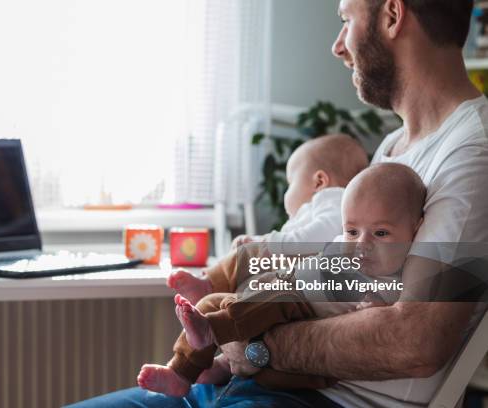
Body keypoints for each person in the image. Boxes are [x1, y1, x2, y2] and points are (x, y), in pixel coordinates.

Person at [67, 0, 488, 406]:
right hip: (260, 385)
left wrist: (252, 343)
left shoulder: (472, 155)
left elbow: (414, 341)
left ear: (393, 15)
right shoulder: (394, 147)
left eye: (347, 19)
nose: (338, 45)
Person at [137, 163, 426, 398]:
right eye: (352, 231)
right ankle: (181, 372)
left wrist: (372, 309)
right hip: (285, 309)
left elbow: (382, 318)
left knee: (275, 297)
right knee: (212, 304)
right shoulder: (344, 247)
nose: (362, 243)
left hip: (305, 334)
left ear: (415, 229)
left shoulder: (395, 278)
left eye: (381, 234)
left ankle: (216, 340)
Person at [167, 133, 369, 304]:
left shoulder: (335, 200)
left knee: (247, 254)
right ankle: (212, 292)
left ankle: (209, 284)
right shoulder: (320, 206)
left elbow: (314, 237)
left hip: (304, 276)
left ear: (319, 181)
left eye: (290, 183)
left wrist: (264, 242)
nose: (287, 192)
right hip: (294, 272)